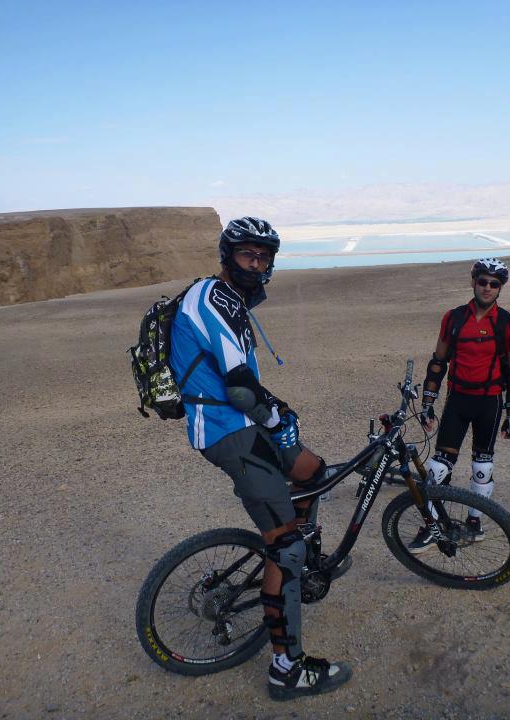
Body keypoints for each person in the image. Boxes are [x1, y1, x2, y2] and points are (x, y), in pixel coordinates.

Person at [169, 216, 352, 700]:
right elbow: (239, 387)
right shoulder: (212, 298)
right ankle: (286, 670)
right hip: (228, 431)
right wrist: (274, 417)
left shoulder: (229, 299)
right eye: (247, 255)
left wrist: (275, 415)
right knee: (284, 548)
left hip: (245, 423)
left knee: (312, 471)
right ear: (227, 256)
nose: (256, 264)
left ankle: (308, 560)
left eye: (263, 257)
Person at [411, 257, 510, 551]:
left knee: (481, 467)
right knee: (438, 468)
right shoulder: (453, 318)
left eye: (494, 284)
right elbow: (438, 363)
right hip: (458, 400)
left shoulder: (509, 323)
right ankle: (433, 526)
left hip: (489, 402)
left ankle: (475, 523)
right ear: (473, 282)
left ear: (500, 288)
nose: (487, 288)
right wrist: (428, 403)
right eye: (482, 281)